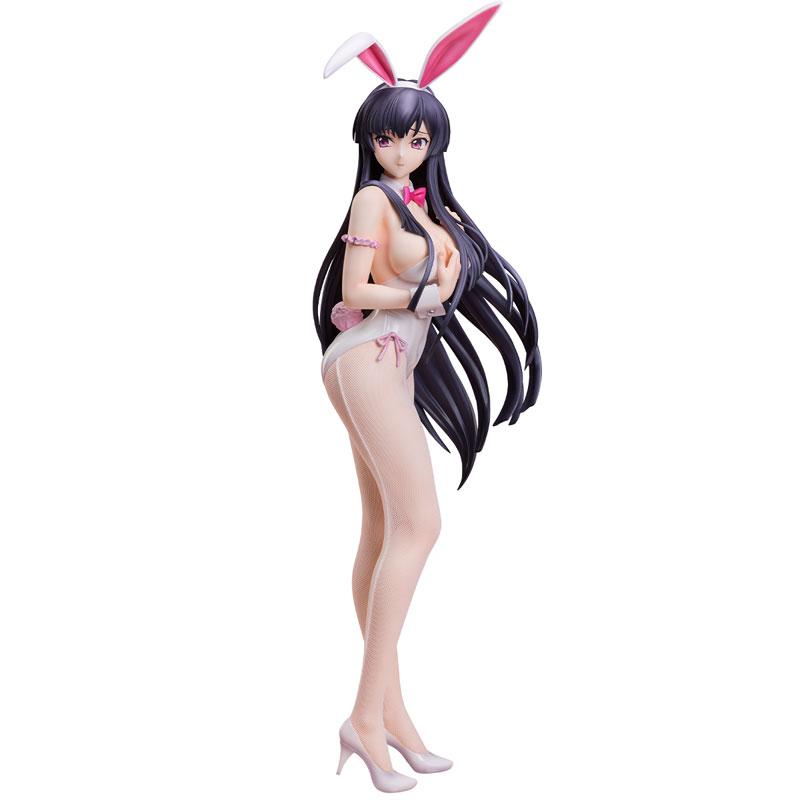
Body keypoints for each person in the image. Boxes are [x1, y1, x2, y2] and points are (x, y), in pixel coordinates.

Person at [312, 4, 542, 792]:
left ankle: (393, 715)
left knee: (385, 528)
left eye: (416, 140)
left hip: (387, 363)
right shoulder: (373, 201)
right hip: (369, 355)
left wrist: (438, 283)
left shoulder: (422, 208)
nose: (402, 150)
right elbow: (354, 289)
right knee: (421, 523)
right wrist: (418, 297)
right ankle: (365, 716)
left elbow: (437, 286)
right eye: (389, 138)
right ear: (370, 139)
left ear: (433, 144)